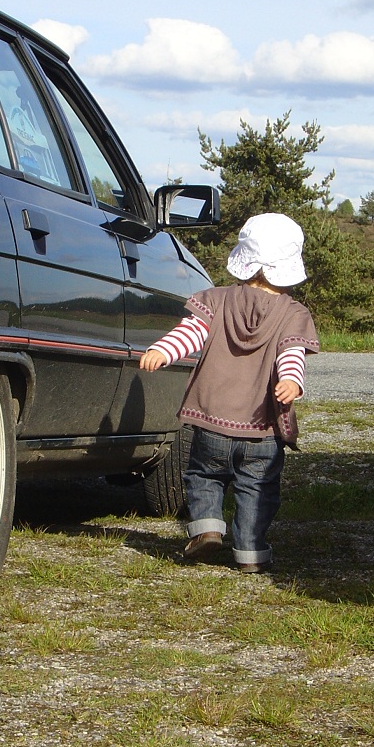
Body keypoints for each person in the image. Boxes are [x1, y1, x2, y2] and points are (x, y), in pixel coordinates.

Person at [139, 212, 319, 573]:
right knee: (257, 489)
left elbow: (191, 333)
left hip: (212, 423)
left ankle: (207, 528)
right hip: (262, 431)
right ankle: (250, 551)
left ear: (243, 259)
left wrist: (163, 350)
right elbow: (291, 355)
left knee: (204, 477)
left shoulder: (215, 299)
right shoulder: (294, 314)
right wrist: (291, 383)